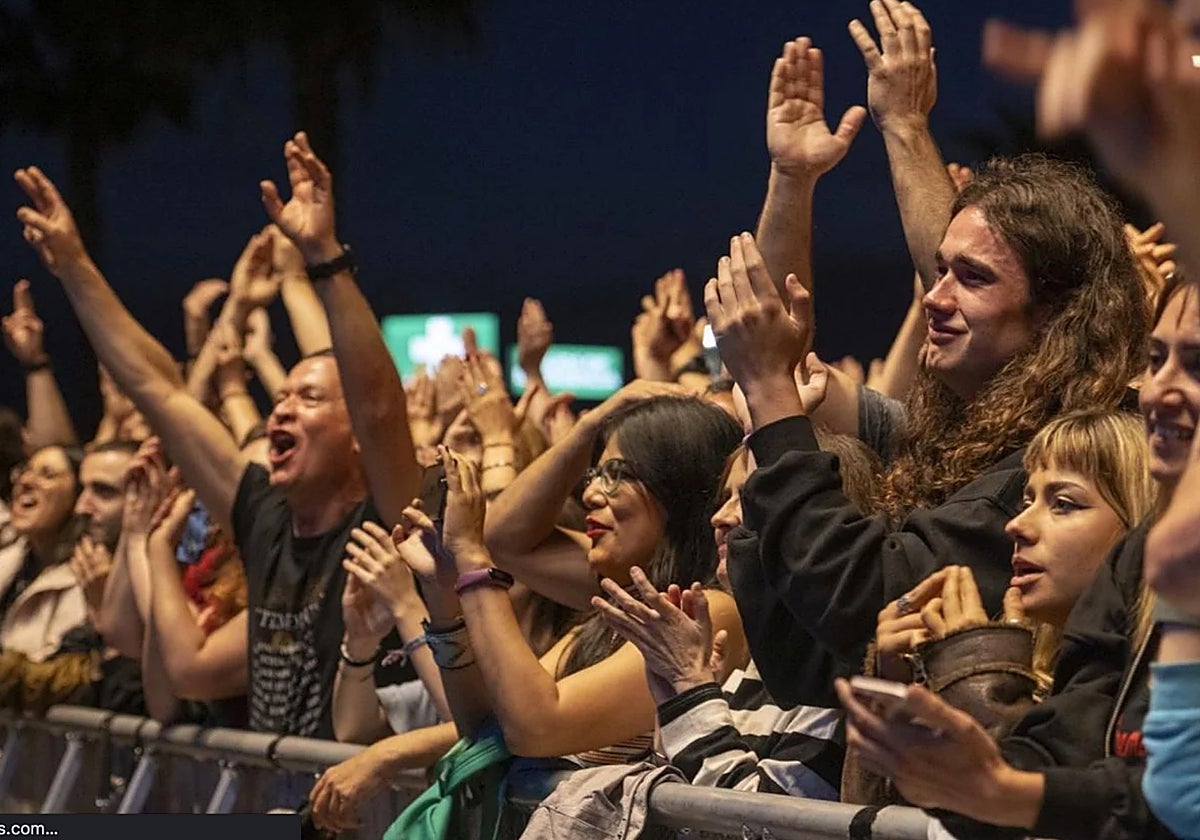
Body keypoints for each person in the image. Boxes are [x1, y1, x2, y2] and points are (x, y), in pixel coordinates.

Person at [715, 154, 1147, 708]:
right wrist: (763, 436)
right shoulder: (960, 439)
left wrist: (774, 399)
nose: (934, 298)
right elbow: (811, 671)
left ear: (1056, 312)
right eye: (940, 269)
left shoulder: (1061, 463)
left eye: (972, 277)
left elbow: (870, 594)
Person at [13, 157, 420, 738]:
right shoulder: (263, 517)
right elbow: (157, 390)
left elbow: (380, 407)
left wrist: (323, 260)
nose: (280, 408)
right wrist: (75, 267)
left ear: (353, 433)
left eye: (307, 397)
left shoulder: (387, 520)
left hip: (365, 817)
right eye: (278, 397)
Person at [836, 274, 1197, 840]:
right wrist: (912, 694)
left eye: (1064, 503)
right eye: (1155, 359)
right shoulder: (1143, 556)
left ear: (1130, 508)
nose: (1016, 525)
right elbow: (1121, 788)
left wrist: (973, 676)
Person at [595, 432, 878, 797]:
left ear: (813, 516)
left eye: (748, 498)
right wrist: (682, 699)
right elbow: (682, 813)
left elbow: (760, 828)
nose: (720, 517)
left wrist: (691, 689)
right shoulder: (747, 669)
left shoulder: (838, 677)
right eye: (725, 497)